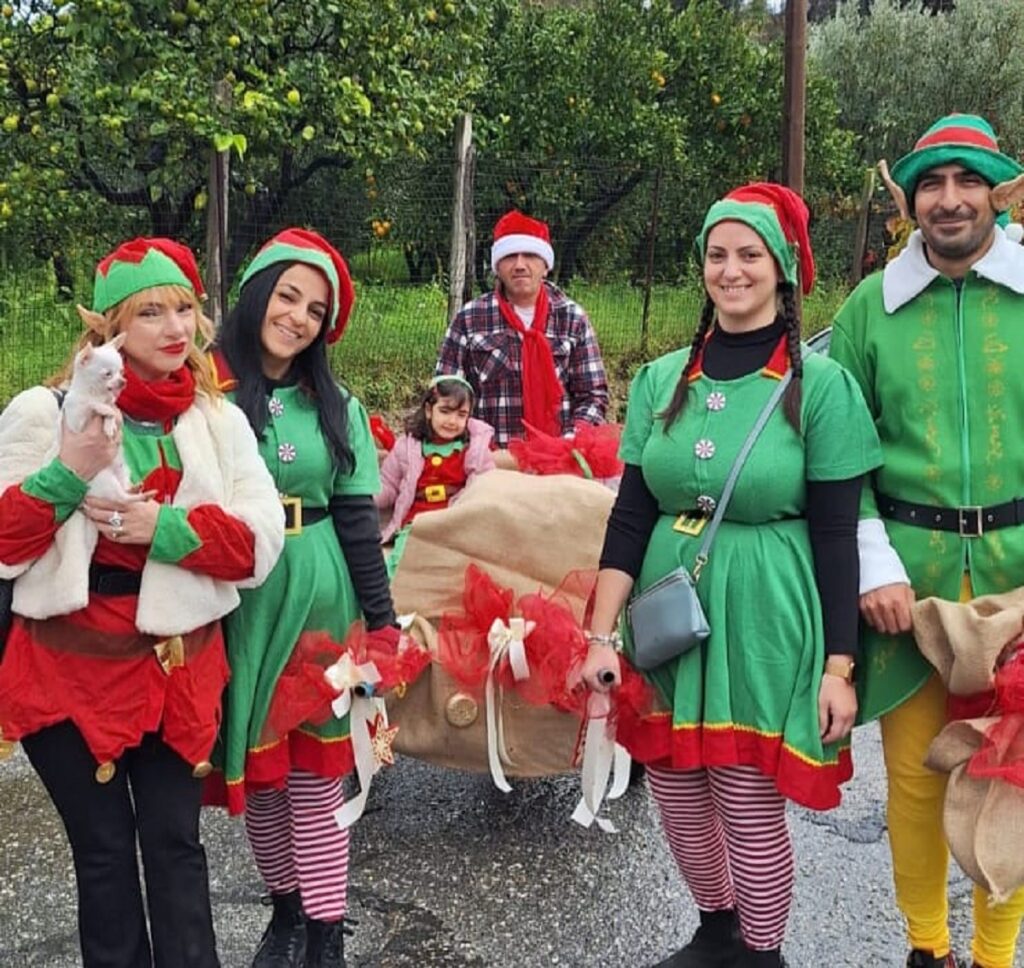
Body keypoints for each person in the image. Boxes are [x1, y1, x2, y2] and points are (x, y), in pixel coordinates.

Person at [580, 184, 882, 967]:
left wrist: (840, 665)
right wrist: (597, 632)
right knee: (676, 787)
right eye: (717, 254)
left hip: (766, 610)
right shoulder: (659, 381)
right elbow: (631, 515)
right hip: (664, 608)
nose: (730, 270)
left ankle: (760, 950)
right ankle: (716, 930)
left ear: (782, 271)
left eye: (750, 254)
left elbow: (837, 533)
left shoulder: (821, 389)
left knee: (744, 797)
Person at [0, 237, 284, 968]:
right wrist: (70, 472)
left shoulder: (218, 421)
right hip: (71, 675)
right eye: (150, 311)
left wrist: (172, 530)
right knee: (102, 858)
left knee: (176, 849)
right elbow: (4, 541)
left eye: (184, 308)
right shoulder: (44, 411)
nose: (175, 328)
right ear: (108, 330)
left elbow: (258, 546)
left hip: (176, 676)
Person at [830, 113, 1024, 968]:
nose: (949, 201)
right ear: (911, 204)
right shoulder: (869, 308)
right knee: (912, 782)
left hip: (1019, 582)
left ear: (996, 196)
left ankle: (994, 953)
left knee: (1011, 778)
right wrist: (874, 566)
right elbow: (840, 455)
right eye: (932, 185)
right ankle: (926, 947)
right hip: (909, 585)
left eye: (968, 181)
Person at [209, 228, 401, 968]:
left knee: (317, 779)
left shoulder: (337, 404)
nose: (297, 316)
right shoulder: (205, 392)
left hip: (319, 589)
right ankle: (284, 913)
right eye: (287, 295)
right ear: (257, 291)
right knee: (260, 779)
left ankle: (326, 934)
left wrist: (381, 629)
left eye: (316, 309)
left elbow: (359, 521)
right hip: (239, 599)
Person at [435, 210, 609, 448]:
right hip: (491, 461)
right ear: (497, 266)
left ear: (545, 265)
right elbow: (445, 391)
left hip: (559, 459)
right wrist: (471, 445)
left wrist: (569, 444)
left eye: (529, 255)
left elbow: (593, 396)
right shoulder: (470, 318)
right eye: (509, 257)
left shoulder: (571, 318)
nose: (519, 265)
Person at [375, 374, 495, 570]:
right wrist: (366, 495)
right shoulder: (408, 446)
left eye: (461, 415)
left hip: (454, 521)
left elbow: (486, 485)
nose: (452, 421)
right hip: (416, 523)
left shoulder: (474, 450)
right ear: (429, 410)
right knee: (403, 564)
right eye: (445, 411)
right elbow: (388, 483)